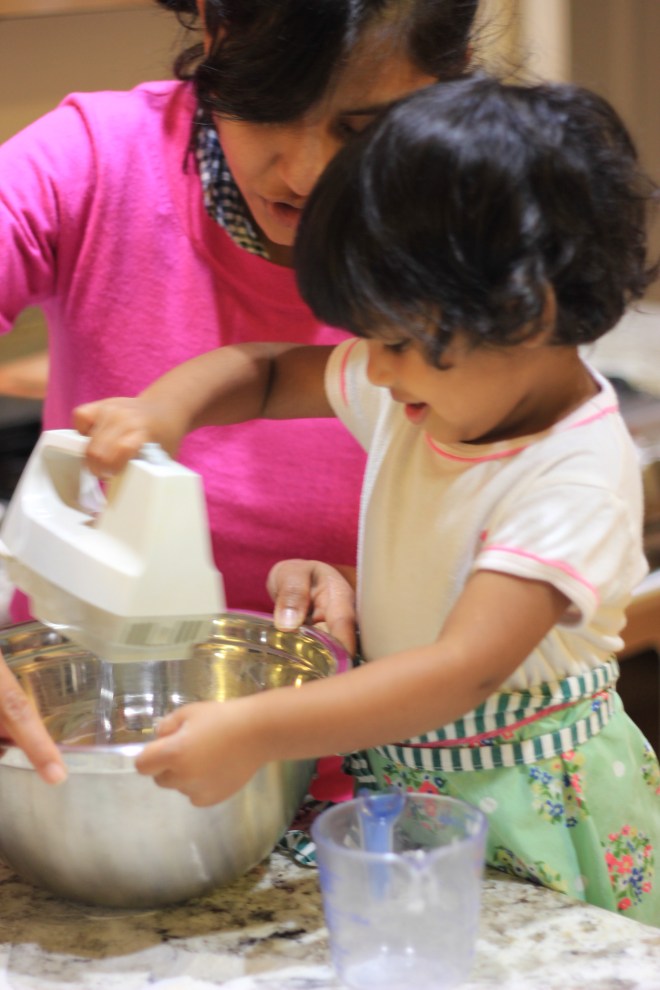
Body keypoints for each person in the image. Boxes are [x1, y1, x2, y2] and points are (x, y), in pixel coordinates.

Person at [74, 73, 660, 922]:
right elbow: (270, 370)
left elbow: (463, 669)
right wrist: (163, 409)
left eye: (395, 340)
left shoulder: (572, 477)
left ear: (527, 312)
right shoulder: (432, 383)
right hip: (424, 790)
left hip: (539, 820)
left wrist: (256, 730)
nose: (373, 371)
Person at [0, 0, 480, 774]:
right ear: (214, 28)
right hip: (78, 753)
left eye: (359, 131)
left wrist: (386, 591)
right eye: (270, 108)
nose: (302, 174)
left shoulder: (482, 219)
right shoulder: (93, 160)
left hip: (385, 781)